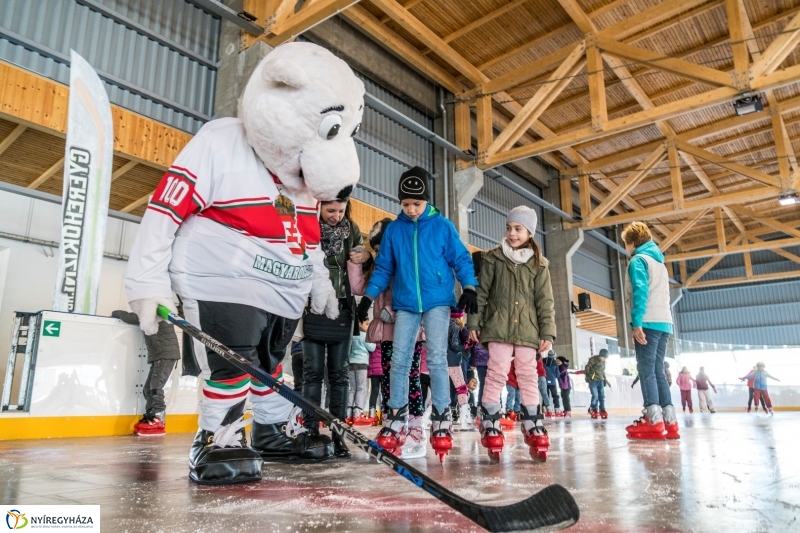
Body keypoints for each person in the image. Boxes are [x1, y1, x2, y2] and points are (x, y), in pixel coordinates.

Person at [356, 167, 478, 463]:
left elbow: (460, 258)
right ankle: (396, 416)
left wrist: (470, 286)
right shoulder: (395, 230)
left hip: (438, 300)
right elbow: (384, 267)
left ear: (426, 201)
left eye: (416, 204)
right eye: (405, 204)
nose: (410, 209)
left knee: (436, 358)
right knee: (399, 359)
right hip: (406, 302)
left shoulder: (442, 226)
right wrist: (368, 297)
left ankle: (440, 417)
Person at [467, 205, 556, 462]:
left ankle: (532, 421)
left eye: (518, 229)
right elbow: (481, 293)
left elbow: (545, 301)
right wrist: (474, 322)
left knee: (528, 375)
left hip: (528, 329)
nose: (512, 233)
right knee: (496, 372)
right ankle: (490, 419)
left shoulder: (540, 264)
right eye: (509, 228)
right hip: (498, 326)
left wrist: (547, 332)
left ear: (529, 232)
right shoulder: (493, 258)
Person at [350, 216, 428, 459]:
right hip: (386, 335)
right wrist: (356, 261)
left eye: (382, 248)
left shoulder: (407, 263)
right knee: (388, 380)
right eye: (376, 249)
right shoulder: (379, 268)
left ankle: (416, 430)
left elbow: (415, 293)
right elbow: (358, 288)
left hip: (411, 333)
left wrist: (393, 312)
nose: (379, 252)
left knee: (411, 380)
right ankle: (393, 424)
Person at [302, 198, 371, 459]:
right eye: (330, 210)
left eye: (341, 211)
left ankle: (338, 434)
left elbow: (360, 257)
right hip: (315, 305)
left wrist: (366, 256)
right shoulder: (308, 225)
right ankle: (309, 430)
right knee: (313, 373)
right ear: (318, 206)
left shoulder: (351, 228)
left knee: (339, 376)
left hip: (342, 308)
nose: (336, 216)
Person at [621, 221, 679, 441]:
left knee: (646, 370)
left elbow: (640, 292)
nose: (625, 248)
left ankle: (653, 420)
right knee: (657, 371)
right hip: (665, 323)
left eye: (626, 244)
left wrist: (637, 322)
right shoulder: (659, 263)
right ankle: (670, 422)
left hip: (648, 322)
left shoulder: (638, 260)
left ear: (632, 243)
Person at [112, 309, 180, 435]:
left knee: (155, 388)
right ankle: (152, 415)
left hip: (165, 355)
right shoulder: (155, 311)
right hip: (160, 356)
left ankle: (159, 417)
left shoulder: (154, 312)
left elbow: (131, 317)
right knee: (148, 389)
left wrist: (116, 313)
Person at [448, 308, 474, 430]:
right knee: (462, 388)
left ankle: (431, 416)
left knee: (443, 390)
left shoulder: (444, 325)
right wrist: (465, 345)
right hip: (454, 362)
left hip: (444, 362)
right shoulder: (455, 327)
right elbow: (455, 346)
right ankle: (465, 418)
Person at [347, 319, 375, 425]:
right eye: (367, 324)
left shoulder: (351, 336)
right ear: (360, 324)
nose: (368, 326)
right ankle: (357, 414)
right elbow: (372, 348)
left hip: (351, 364)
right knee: (361, 388)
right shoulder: (364, 336)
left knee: (352, 388)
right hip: (362, 365)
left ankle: (348, 413)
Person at [585, 349, 610, 419]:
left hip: (601, 381)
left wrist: (605, 379)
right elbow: (587, 367)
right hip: (593, 381)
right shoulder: (593, 359)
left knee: (602, 396)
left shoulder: (603, 362)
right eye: (604, 358)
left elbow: (603, 372)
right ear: (600, 355)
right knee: (595, 396)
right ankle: (593, 409)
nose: (604, 359)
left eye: (605, 358)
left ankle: (602, 409)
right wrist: (588, 378)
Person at [366, 343, 382, 425]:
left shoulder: (372, 341)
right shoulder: (384, 340)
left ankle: (372, 414)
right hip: (383, 369)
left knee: (374, 391)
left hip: (374, 370)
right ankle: (385, 413)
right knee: (384, 392)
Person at [543, 350, 562, 417]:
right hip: (552, 381)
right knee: (555, 396)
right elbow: (557, 374)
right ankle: (557, 409)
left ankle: (545, 409)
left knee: (545, 395)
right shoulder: (555, 363)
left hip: (545, 381)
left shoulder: (543, 361)